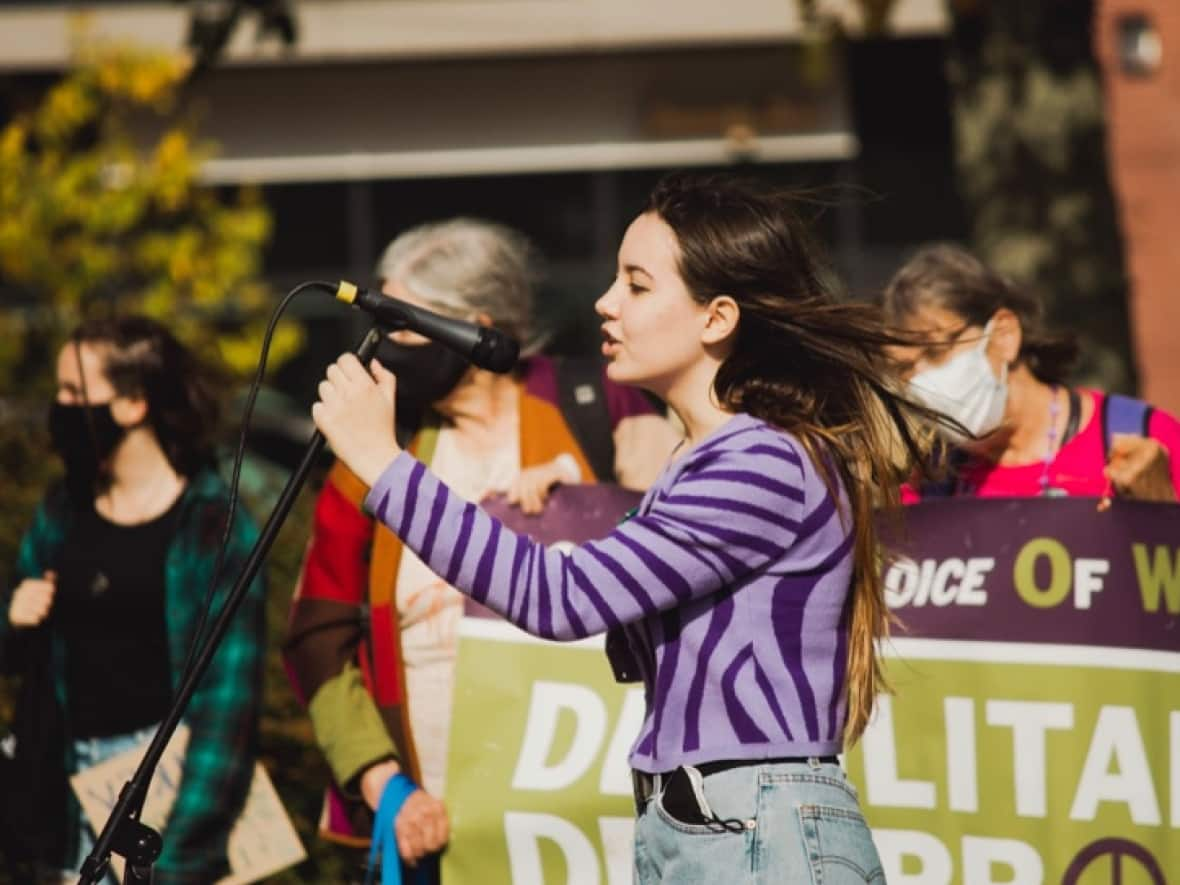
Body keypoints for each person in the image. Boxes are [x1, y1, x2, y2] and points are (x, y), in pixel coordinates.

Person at [309, 174, 936, 882]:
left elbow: (560, 597)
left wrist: (384, 466)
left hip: (756, 826)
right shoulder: (709, 460)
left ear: (716, 317)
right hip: (708, 824)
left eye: (636, 285)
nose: (606, 303)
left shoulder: (762, 458)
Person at [282, 218, 678, 876]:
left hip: (585, 824)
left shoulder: (597, 402)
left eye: (403, 321)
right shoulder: (378, 439)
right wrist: (384, 784)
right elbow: (315, 632)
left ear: (475, 325)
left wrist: (589, 499)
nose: (383, 343)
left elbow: (677, 551)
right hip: (433, 823)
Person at [0, 316, 267, 884]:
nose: (61, 406)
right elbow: (16, 655)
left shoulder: (211, 525)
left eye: (75, 393)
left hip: (162, 788)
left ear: (133, 404)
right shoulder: (62, 510)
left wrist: (183, 853)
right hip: (64, 794)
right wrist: (11, 618)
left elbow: (227, 708)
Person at [883, 243, 1180, 502]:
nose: (922, 382)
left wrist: (1158, 509)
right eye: (906, 370)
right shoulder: (930, 483)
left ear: (1004, 335)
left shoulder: (1145, 438)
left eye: (935, 352)